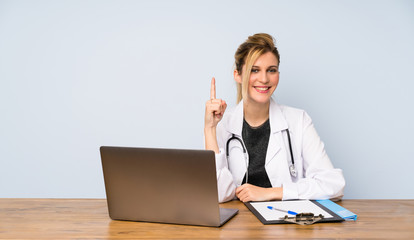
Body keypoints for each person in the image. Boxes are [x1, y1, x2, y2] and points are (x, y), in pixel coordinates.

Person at [204, 33, 345, 203]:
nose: (264, 79)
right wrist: (209, 129)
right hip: (237, 226)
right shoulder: (221, 123)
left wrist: (274, 192)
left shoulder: (298, 120)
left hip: (285, 224)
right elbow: (218, 194)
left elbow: (334, 185)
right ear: (238, 75)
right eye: (254, 70)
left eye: (271, 70)